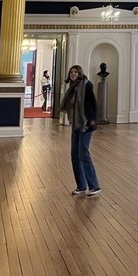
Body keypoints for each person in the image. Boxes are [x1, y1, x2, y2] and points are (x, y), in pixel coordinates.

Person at [59, 65, 101, 197]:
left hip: (86, 123)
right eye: (71, 72)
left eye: (75, 72)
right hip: (76, 124)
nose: (73, 74)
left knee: (83, 153)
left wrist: (92, 119)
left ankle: (94, 186)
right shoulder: (72, 88)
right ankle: (81, 185)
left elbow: (92, 103)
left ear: (80, 73)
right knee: (75, 155)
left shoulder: (86, 85)